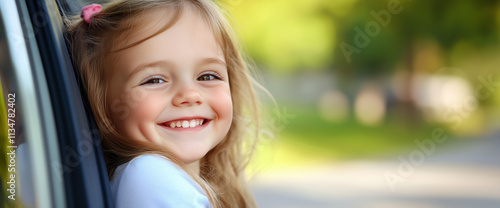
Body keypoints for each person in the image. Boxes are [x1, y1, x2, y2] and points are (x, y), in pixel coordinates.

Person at [65, 0, 270, 207]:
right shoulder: (149, 176)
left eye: (207, 76)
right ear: (103, 103)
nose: (190, 95)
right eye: (154, 80)